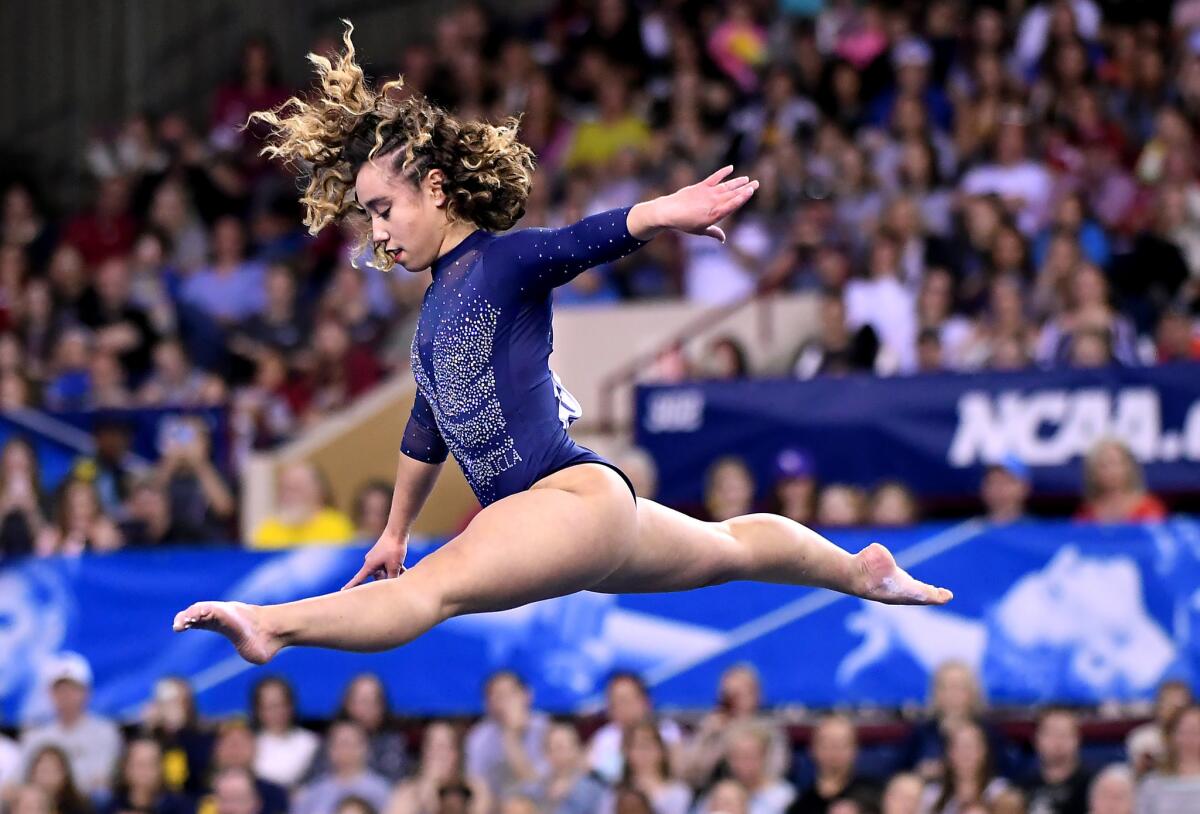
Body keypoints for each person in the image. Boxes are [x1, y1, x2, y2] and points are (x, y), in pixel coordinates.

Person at [172, 23, 954, 664]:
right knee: (731, 548)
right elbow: (428, 423)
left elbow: (579, 241)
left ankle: (272, 623)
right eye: (368, 217)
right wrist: (396, 530)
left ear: (436, 190)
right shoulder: (440, 303)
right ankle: (858, 572)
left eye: (384, 209)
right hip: (583, 515)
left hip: (563, 501)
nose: (377, 232)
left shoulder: (499, 261)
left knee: (428, 595)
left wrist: (659, 212)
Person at [19, 653, 121, 798]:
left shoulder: (105, 733)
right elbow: (24, 782)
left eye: (72, 688)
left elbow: (103, 782)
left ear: (86, 692)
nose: (66, 695)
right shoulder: (35, 736)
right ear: (50, 693)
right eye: (60, 689)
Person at [464, 671, 548, 802]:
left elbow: (536, 786)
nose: (503, 702)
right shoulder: (480, 736)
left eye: (508, 694)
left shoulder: (545, 728)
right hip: (497, 803)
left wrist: (511, 737)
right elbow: (477, 785)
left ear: (527, 695)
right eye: (495, 696)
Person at [588, 673, 682, 785]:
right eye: (615, 702)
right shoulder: (603, 738)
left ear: (646, 701)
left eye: (626, 700)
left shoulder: (667, 730)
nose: (622, 707)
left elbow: (679, 771)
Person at [386, 722, 491, 814]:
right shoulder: (407, 791)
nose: (438, 754)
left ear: (458, 753)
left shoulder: (476, 789)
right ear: (424, 752)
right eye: (432, 746)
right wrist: (426, 789)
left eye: (444, 747)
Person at [249, 461, 356, 549]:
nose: (290, 496)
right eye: (285, 489)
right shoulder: (267, 530)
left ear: (318, 491)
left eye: (297, 488)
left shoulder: (337, 526)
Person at [292, 721, 389, 814]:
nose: (344, 750)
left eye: (349, 743)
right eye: (338, 743)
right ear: (329, 749)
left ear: (365, 747)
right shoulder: (314, 791)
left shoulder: (381, 790)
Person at [789, 715, 874, 814]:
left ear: (856, 748)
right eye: (826, 743)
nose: (834, 750)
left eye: (842, 743)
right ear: (812, 748)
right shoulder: (800, 806)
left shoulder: (874, 797)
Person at [601, 722, 691, 814]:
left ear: (662, 750)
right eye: (636, 746)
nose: (643, 753)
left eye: (647, 746)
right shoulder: (615, 792)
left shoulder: (679, 793)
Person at [516, 723, 606, 814]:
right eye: (550, 747)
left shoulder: (589, 785)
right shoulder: (542, 782)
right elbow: (519, 796)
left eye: (560, 747)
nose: (554, 752)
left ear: (575, 748)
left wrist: (570, 788)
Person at [250, 677, 319, 790]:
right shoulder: (250, 745)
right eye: (270, 706)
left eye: (282, 704)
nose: (277, 711)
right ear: (258, 710)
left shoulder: (310, 742)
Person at [1020, 709, 1091, 814]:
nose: (1058, 742)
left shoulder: (1094, 785)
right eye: (1051, 733)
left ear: (1078, 739)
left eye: (1064, 734)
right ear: (1036, 739)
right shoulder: (1020, 786)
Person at [1136, 705, 1200, 814]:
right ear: (1171, 735)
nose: (1189, 739)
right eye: (1183, 732)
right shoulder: (1152, 783)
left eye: (1196, 732)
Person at [103, 737, 193, 814]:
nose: (145, 772)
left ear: (161, 769)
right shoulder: (113, 807)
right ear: (126, 768)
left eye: (151, 764)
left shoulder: (180, 806)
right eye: (139, 764)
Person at [1126, 680, 1193, 777]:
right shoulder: (1142, 738)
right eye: (1169, 705)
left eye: (1179, 708)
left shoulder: (1196, 737)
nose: (1174, 713)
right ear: (1158, 707)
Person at [979, 456, 1031, 525]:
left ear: (1025, 488)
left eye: (1007, 482)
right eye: (993, 481)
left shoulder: (1041, 531)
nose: (999, 488)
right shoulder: (966, 532)